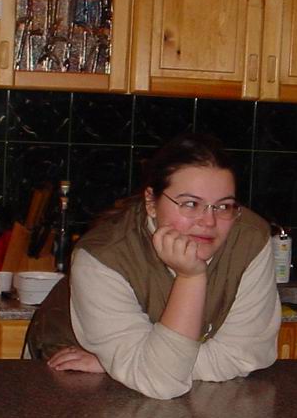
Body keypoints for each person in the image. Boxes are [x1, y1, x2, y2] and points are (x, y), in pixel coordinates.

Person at [27, 133, 281, 399]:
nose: (209, 221)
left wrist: (130, 367)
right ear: (151, 202)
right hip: (70, 376)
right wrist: (190, 278)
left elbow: (244, 354)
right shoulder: (102, 256)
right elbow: (161, 381)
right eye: (190, 204)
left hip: (164, 383)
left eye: (224, 206)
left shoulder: (251, 238)